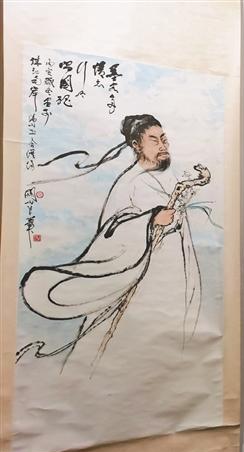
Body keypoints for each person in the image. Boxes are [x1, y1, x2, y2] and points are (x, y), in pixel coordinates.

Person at [18, 114, 202, 367]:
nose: (162, 145)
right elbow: (110, 232)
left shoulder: (167, 178)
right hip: (140, 278)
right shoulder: (129, 183)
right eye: (154, 140)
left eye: (164, 139)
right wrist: (150, 220)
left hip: (171, 275)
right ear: (136, 145)